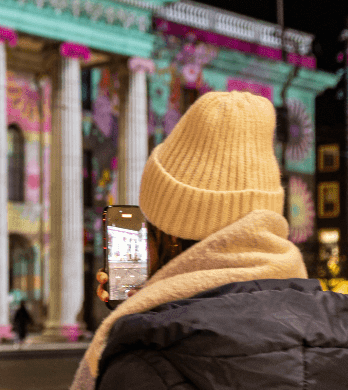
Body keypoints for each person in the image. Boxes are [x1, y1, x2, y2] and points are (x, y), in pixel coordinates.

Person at [71, 91, 348, 390]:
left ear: (170, 236)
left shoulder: (143, 363)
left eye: (151, 225)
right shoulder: (339, 326)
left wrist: (146, 309)